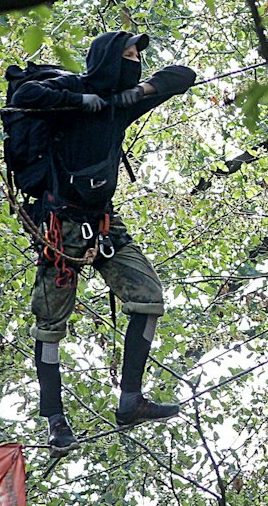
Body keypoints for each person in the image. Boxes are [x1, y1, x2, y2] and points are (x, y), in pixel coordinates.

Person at [14, 31, 197, 452]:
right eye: (127, 55)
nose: (133, 61)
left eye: (136, 56)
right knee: (50, 326)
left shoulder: (122, 104)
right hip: (59, 226)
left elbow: (182, 75)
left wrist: (138, 93)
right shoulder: (71, 89)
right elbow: (27, 94)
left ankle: (130, 400)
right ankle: (56, 422)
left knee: (149, 297)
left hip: (103, 226)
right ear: (105, 59)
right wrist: (80, 101)